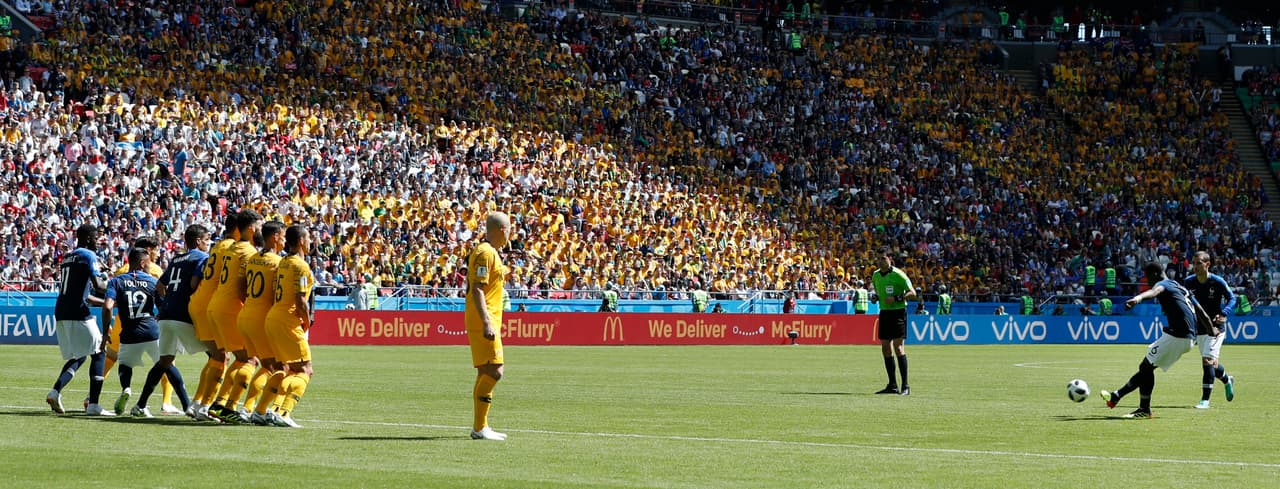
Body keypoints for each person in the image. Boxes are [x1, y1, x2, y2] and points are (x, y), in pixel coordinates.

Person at [1099, 262, 1198, 418]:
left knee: (1145, 367)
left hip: (1179, 335)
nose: (1147, 281)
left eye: (1147, 278)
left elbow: (1154, 291)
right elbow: (1198, 309)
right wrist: (1210, 327)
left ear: (1155, 274)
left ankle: (1142, 409)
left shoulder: (1162, 284)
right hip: (1187, 336)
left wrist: (1137, 298)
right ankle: (1116, 396)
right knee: (1146, 367)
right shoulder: (1179, 286)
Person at [134, 224, 208, 417]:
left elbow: (160, 285)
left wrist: (169, 302)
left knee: (164, 362)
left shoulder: (176, 259)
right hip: (184, 315)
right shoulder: (202, 257)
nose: (208, 243)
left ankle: (140, 405)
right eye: (206, 239)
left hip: (166, 316)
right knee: (217, 357)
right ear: (198, 240)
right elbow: (193, 284)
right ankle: (203, 404)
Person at [103, 235, 179, 414]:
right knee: (168, 360)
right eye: (155, 249)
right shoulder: (155, 270)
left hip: (123, 321)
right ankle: (167, 402)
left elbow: (112, 299)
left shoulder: (122, 270)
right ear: (148, 251)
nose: (157, 253)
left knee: (112, 357)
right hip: (148, 321)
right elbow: (163, 295)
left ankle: (93, 397)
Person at [47, 223, 111, 415]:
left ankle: (55, 391)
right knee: (100, 352)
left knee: (80, 355)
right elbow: (99, 285)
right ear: (90, 238)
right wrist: (113, 283)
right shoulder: (88, 255)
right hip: (78, 311)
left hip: (62, 309)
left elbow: (84, 294)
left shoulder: (68, 257)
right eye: (96, 238)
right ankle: (94, 405)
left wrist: (108, 304)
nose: (98, 242)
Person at [207, 209, 263, 423]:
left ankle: (219, 404)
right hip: (230, 307)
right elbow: (243, 287)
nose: (261, 229)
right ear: (251, 228)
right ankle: (225, 406)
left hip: (217, 305)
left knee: (238, 358)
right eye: (259, 225)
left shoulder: (232, 248)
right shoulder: (248, 252)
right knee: (249, 359)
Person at [262, 224, 316, 428]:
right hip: (288, 320)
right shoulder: (301, 266)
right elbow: (301, 298)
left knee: (290, 370)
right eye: (309, 237)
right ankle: (283, 411)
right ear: (301, 241)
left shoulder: (283, 262)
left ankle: (272, 410)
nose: (311, 241)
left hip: (274, 316)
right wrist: (306, 320)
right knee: (305, 370)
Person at [188, 213, 240, 421]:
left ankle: (197, 402)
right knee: (224, 357)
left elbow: (197, 280)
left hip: (199, 301)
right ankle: (206, 405)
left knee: (216, 357)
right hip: (212, 303)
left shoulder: (217, 246)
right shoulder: (232, 248)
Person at [466, 212, 512, 440]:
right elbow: (477, 288)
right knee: (495, 371)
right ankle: (479, 427)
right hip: (484, 319)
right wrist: (486, 321)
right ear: (503, 230)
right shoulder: (485, 252)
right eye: (510, 229)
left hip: (487, 318)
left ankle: (480, 426)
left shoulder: (491, 253)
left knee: (486, 370)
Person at [238, 221, 286, 425]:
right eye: (282, 235)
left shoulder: (253, 258)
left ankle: (249, 408)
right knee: (276, 366)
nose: (284, 240)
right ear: (275, 237)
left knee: (264, 364)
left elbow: (242, 286)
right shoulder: (278, 262)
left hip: (247, 312)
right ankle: (257, 409)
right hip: (262, 318)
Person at [1183, 251, 1237, 409]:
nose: (1195, 266)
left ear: (1207, 264)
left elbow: (1232, 298)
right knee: (1212, 365)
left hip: (1215, 327)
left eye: (1199, 263)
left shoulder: (1217, 282)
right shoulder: (1189, 282)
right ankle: (1227, 380)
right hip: (1199, 327)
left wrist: (1224, 313)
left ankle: (1205, 401)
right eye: (1194, 263)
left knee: (1206, 360)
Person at [871, 250, 916, 396]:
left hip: (898, 312)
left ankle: (906, 386)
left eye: (883, 258)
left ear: (890, 259)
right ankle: (892, 385)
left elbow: (912, 293)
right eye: (878, 259)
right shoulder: (876, 275)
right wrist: (875, 298)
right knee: (885, 347)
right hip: (884, 313)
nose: (880, 261)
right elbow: (879, 292)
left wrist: (897, 298)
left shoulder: (898, 274)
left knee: (898, 347)